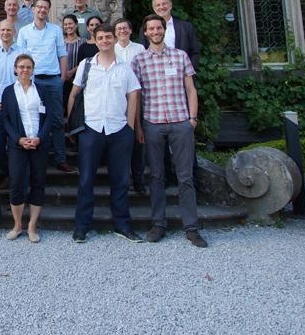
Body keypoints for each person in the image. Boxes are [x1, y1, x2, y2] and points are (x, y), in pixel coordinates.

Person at [132, 14, 207, 248]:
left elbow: (191, 89)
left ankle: (191, 227)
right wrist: (138, 126)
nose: (155, 31)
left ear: (164, 29)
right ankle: (158, 224)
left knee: (185, 177)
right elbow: (136, 95)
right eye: (151, 28)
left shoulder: (180, 56)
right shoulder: (139, 61)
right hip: (152, 123)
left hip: (179, 122)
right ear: (145, 33)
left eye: (158, 27)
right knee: (156, 176)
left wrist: (192, 119)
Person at [66, 24, 142, 244]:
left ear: (114, 39)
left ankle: (122, 224)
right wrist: (72, 125)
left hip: (119, 130)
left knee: (120, 180)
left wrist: (129, 128)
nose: (105, 41)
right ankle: (82, 227)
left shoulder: (125, 67)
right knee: (86, 179)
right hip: (91, 128)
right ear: (95, 40)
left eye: (109, 37)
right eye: (101, 38)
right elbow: (73, 95)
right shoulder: (86, 65)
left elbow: (133, 96)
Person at [16, 0, 74, 174]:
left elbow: (62, 54)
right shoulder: (24, 31)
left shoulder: (55, 30)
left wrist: (62, 78)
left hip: (52, 80)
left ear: (48, 11)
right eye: (39, 7)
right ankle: (34, 158)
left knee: (56, 120)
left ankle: (60, 159)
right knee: (33, 119)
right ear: (33, 9)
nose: (41, 10)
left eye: (45, 8)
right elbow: (20, 57)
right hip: (32, 81)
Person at [2, 54, 52, 243]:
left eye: (28, 67)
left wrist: (39, 138)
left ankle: (32, 226)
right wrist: (18, 139)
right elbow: (5, 120)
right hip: (18, 145)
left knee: (38, 182)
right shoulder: (8, 92)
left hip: (39, 144)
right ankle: (17, 225)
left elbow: (49, 117)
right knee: (16, 183)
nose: (25, 70)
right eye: (21, 67)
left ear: (33, 69)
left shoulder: (42, 90)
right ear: (15, 69)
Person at [113, 17, 146, 193]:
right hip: (117, 99)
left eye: (125, 28)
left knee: (137, 138)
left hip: (136, 96)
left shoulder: (140, 49)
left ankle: (139, 179)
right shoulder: (112, 48)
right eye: (119, 29)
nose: (122, 31)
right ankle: (122, 180)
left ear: (130, 30)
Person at [0, 20, 21, 185]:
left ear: (14, 32)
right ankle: (8, 174)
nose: (6, 32)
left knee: (17, 146)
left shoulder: (23, 54)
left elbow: (30, 80)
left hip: (18, 108)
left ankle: (17, 180)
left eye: (9, 29)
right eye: (3, 30)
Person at [140, 0, 201, 69]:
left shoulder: (186, 27)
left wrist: (188, 71)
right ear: (153, 8)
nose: (161, 7)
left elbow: (195, 52)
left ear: (170, 5)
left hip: (182, 74)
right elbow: (143, 51)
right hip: (155, 74)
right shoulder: (146, 29)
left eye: (164, 4)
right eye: (158, 5)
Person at [62, 14, 83, 114]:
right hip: (62, 78)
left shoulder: (83, 42)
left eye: (70, 23)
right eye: (65, 24)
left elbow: (85, 61)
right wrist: (64, 73)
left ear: (76, 25)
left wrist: (72, 72)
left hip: (78, 78)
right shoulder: (60, 42)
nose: (68, 26)